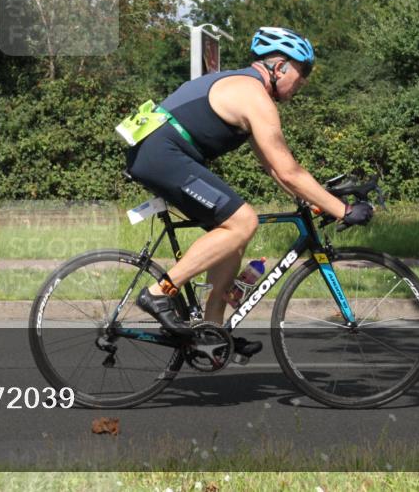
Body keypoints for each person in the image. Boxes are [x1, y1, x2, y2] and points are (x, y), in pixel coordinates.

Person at [126, 27, 373, 356]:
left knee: (233, 234)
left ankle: (210, 332)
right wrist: (342, 210)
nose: (305, 82)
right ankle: (160, 292)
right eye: (304, 71)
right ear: (281, 66)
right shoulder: (253, 95)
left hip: (158, 149)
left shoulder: (245, 88)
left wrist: (314, 200)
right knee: (242, 221)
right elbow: (288, 170)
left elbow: (276, 168)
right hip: (161, 152)